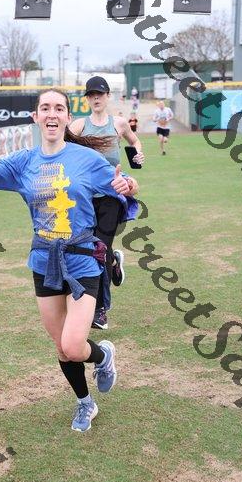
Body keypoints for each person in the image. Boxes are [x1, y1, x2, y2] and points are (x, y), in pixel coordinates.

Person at [0, 88, 139, 433]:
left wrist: (129, 184)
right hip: (44, 261)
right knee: (62, 347)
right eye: (45, 108)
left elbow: (124, 186)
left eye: (59, 108)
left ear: (67, 117)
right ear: (36, 117)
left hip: (83, 259)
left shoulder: (86, 159)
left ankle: (103, 355)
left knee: (74, 345)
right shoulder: (23, 161)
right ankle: (85, 403)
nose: (52, 114)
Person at [69, 76, 144, 330]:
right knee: (94, 248)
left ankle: (100, 310)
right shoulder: (79, 126)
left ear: (108, 96)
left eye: (99, 94)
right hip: (86, 199)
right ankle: (113, 262)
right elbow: (63, 149)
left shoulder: (118, 123)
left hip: (113, 196)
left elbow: (134, 142)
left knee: (98, 248)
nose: (95, 98)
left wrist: (137, 156)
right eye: (91, 95)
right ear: (87, 99)